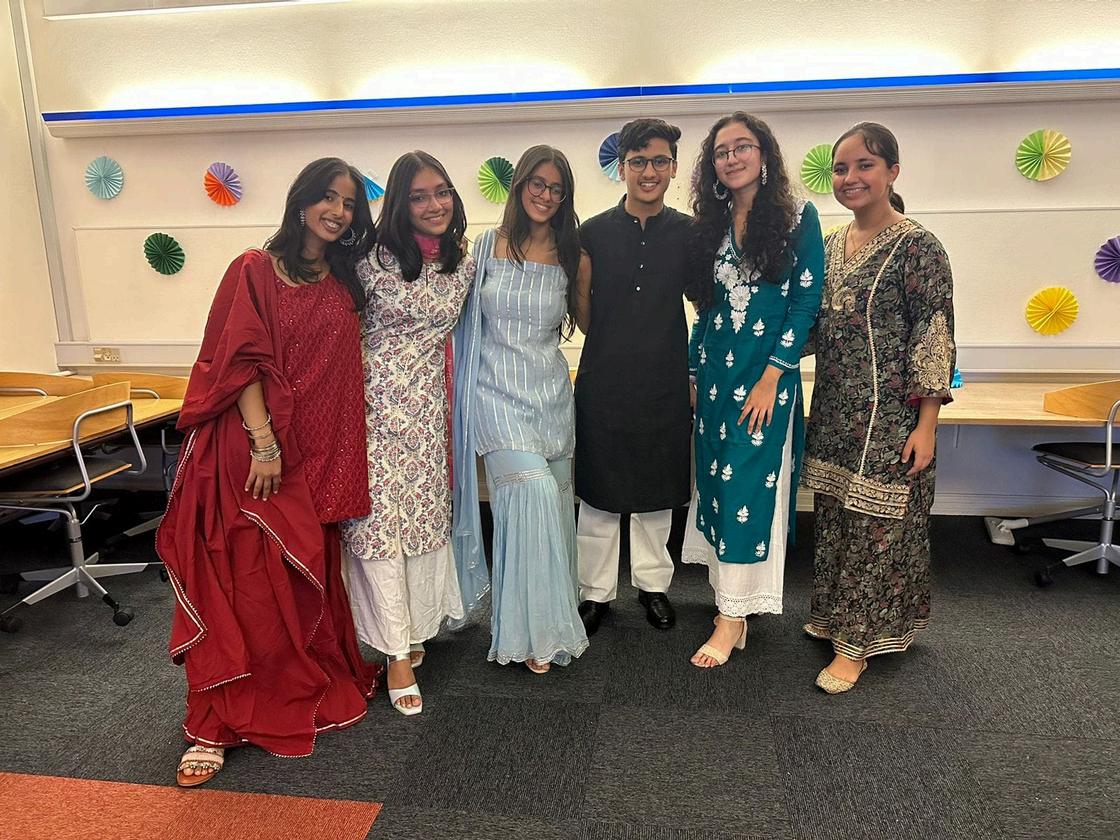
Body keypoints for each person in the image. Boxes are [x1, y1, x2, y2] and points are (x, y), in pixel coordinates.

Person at [157, 157, 379, 786]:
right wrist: (264, 444)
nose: (338, 212)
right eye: (328, 198)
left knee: (303, 576)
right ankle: (217, 723)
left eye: (349, 204)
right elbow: (241, 362)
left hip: (318, 451)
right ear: (301, 201)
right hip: (257, 452)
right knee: (248, 579)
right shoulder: (254, 268)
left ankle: (294, 686)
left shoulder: (345, 278)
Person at [802, 122, 955, 693]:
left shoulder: (918, 248)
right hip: (835, 412)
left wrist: (927, 424)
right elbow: (812, 325)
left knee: (878, 529)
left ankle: (856, 648)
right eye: (841, 168)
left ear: (892, 171)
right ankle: (833, 618)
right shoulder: (829, 246)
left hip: (892, 419)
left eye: (864, 165)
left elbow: (933, 337)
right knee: (836, 520)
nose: (850, 177)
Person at [682, 112, 824, 668]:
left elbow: (805, 302)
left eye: (742, 146)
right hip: (716, 378)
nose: (732, 157)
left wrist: (773, 376)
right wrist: (693, 373)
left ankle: (731, 617)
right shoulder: (711, 225)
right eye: (721, 151)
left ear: (764, 154)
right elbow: (706, 308)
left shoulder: (797, 218)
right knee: (717, 483)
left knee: (747, 488)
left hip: (766, 381)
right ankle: (729, 602)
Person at [341, 152, 475, 716]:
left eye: (442, 191)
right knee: (378, 530)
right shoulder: (370, 260)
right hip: (371, 411)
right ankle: (395, 653)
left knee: (421, 525)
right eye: (419, 196)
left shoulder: (462, 261)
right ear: (399, 203)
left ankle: (414, 629)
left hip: (428, 414)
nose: (434, 204)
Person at [452, 145, 588, 673]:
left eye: (556, 188)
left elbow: (593, 322)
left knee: (554, 510)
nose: (545, 195)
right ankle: (527, 631)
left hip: (551, 396)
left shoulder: (573, 255)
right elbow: (453, 315)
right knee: (531, 497)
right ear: (520, 184)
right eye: (538, 183)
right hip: (494, 395)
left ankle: (546, 623)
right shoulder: (485, 246)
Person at [571, 118, 692, 635]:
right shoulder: (593, 233)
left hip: (664, 382)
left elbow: (706, 303)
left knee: (656, 493)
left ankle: (653, 587)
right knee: (598, 495)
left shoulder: (689, 233)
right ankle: (595, 593)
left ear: (673, 168)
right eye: (638, 161)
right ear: (621, 168)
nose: (649, 171)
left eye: (659, 161)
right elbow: (583, 311)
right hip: (604, 381)